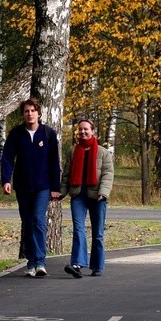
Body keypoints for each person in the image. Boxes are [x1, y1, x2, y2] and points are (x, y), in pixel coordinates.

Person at [1, 98, 61, 277]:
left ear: (38, 113)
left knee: (38, 219)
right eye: (26, 111)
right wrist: (6, 180)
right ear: (23, 114)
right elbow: (7, 158)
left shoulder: (48, 134)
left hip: (43, 186)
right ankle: (31, 262)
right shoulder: (16, 134)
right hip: (23, 185)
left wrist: (55, 187)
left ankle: (40, 261)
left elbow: (54, 162)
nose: (30, 114)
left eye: (33, 110)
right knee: (27, 222)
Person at [60, 118, 114, 278]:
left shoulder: (103, 153)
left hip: (97, 196)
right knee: (78, 228)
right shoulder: (73, 151)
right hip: (78, 195)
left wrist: (103, 193)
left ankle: (97, 265)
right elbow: (67, 175)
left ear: (93, 131)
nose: (83, 132)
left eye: (86, 129)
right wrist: (61, 192)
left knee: (98, 233)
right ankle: (77, 264)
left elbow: (108, 175)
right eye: (80, 130)